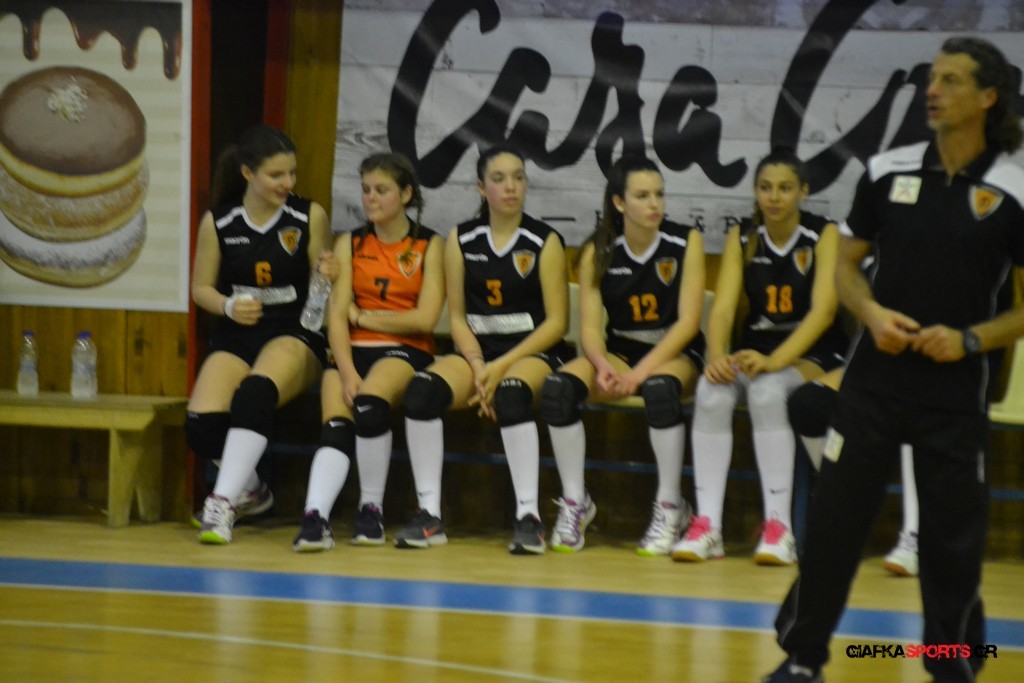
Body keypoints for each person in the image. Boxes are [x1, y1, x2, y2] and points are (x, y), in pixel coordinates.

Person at [765, 37, 1024, 683]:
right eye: (932, 78)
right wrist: (873, 315)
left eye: (951, 80)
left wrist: (969, 339)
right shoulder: (887, 170)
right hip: (873, 384)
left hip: (955, 390)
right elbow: (846, 268)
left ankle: (950, 664)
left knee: (951, 542)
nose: (932, 90)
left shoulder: (1013, 188)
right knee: (833, 524)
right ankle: (802, 658)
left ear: (987, 97)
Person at [672, 148, 847, 566]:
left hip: (813, 353)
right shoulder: (743, 238)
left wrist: (777, 360)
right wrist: (717, 356)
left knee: (768, 393)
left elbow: (824, 311)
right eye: (766, 188)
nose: (774, 196)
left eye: (785, 188)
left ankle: (778, 528)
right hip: (757, 352)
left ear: (803, 192)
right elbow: (723, 310)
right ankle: (708, 526)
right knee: (710, 392)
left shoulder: (823, 234)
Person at [397, 145, 570, 554]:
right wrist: (478, 366)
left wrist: (501, 366)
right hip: (477, 353)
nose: (511, 187)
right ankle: (429, 515)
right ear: (480, 187)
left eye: (518, 177)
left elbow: (556, 324)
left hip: (531, 353)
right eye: (499, 179)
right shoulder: (462, 239)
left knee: (511, 393)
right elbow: (458, 317)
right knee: (420, 392)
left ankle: (529, 517)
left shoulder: (544, 240)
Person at [540, 155, 706, 556]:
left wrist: (639, 374)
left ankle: (671, 506)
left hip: (675, 351)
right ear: (619, 202)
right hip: (620, 351)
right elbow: (590, 330)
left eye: (659, 195)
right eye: (643, 196)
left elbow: (687, 324)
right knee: (559, 389)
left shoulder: (685, 242)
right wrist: (601, 365)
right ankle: (576, 502)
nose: (654, 204)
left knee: (660, 391)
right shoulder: (598, 251)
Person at [188, 124, 334, 545]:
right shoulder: (219, 222)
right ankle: (251, 490)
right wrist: (228, 305)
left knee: (254, 394)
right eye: (276, 175)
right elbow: (200, 288)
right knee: (200, 425)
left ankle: (221, 503)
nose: (287, 183)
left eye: (292, 173)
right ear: (248, 173)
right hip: (238, 335)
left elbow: (322, 294)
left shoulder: (308, 216)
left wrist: (327, 277)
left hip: (294, 332)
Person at [292, 153, 445, 552]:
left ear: (406, 194)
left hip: (405, 350)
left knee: (370, 403)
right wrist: (346, 372)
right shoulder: (350, 243)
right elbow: (337, 316)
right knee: (336, 423)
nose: (370, 198)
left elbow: (424, 319)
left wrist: (364, 316)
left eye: (381, 190)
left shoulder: (429, 244)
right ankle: (315, 518)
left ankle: (370, 509)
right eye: (365, 190)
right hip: (352, 351)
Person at [787, 367, 920, 577]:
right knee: (808, 403)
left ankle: (914, 537)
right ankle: (841, 516)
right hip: (883, 365)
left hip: (938, 375)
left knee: (915, 406)